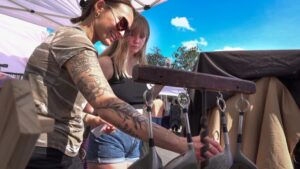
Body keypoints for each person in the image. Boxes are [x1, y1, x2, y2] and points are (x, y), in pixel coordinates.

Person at [24, 0, 222, 168]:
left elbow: (56, 105)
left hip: (53, 147)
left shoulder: (71, 41)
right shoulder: (74, 41)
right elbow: (105, 103)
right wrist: (181, 143)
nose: (122, 33)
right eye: (122, 24)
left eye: (126, 30)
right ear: (100, 7)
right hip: (45, 150)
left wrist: (94, 120)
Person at [86, 14, 168, 169]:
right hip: (110, 135)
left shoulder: (142, 69)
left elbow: (144, 102)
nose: (137, 40)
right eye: (132, 34)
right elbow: (87, 107)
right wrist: (100, 120)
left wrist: (161, 84)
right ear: (122, 34)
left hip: (137, 138)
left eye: (142, 36)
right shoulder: (107, 64)